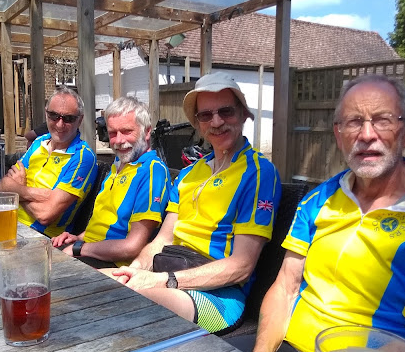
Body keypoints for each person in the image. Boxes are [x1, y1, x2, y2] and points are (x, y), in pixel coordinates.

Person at [229, 74, 405, 352]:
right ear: (339, 134)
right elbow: (285, 288)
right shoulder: (318, 200)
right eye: (353, 122)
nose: (366, 134)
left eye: (383, 120)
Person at [111, 72, 282, 335]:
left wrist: (163, 280)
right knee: (99, 287)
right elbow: (161, 241)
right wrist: (134, 271)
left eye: (226, 111)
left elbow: (242, 266)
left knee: (128, 307)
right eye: (206, 115)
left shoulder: (258, 173)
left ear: (243, 114)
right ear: (198, 123)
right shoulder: (189, 174)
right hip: (170, 274)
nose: (217, 121)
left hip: (219, 297)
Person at [51, 96, 170, 268]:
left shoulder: (152, 171)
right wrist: (77, 238)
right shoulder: (118, 165)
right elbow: (103, 224)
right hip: (89, 252)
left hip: (113, 265)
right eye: (113, 133)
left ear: (146, 132)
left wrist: (79, 248)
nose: (119, 141)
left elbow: (132, 247)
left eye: (127, 131)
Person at [0, 86, 98, 238]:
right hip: (7, 221)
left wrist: (17, 190)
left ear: (80, 120)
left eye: (69, 118)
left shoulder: (82, 157)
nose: (60, 124)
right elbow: (2, 185)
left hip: (40, 236)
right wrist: (35, 193)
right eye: (54, 116)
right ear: (46, 114)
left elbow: (45, 215)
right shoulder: (39, 142)